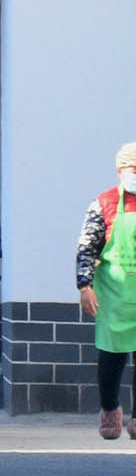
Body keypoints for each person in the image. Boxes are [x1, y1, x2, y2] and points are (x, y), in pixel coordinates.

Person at [79, 144, 136, 440]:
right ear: (120, 171)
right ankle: (110, 409)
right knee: (112, 357)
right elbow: (87, 248)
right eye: (133, 169)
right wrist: (84, 286)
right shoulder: (105, 203)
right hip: (115, 295)